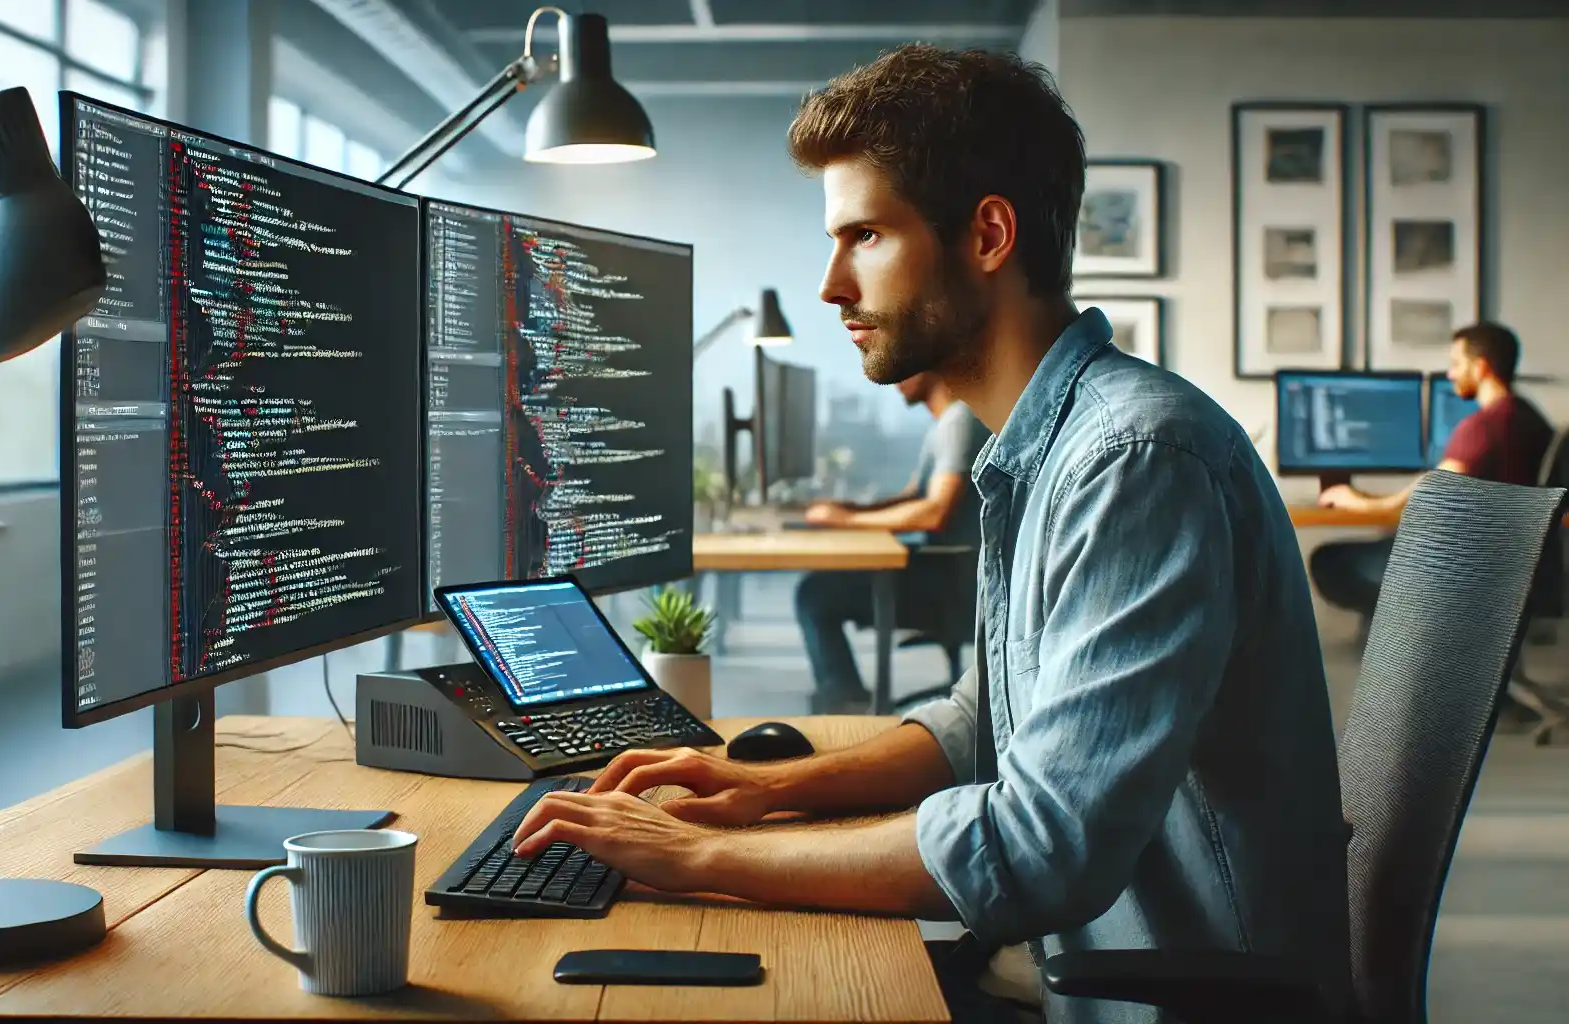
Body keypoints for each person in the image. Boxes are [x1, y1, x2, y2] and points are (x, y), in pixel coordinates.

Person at [507, 45, 1350, 1024]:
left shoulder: (1133, 461)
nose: (829, 285)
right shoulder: (1048, 445)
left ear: (987, 234)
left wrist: (701, 856)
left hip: (1170, 999)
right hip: (1080, 967)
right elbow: (984, 716)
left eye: (862, 235)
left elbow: (1041, 845)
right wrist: (757, 787)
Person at [1311, 322, 1554, 622]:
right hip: (1519, 570)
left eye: (1456, 364)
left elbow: (1430, 498)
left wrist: (1363, 504)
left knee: (1329, 561)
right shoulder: (1534, 421)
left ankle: (1402, 647)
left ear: (1480, 368)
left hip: (1464, 573)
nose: (1450, 374)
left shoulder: (1482, 427)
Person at [796, 370, 990, 714]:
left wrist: (849, 521)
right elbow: (914, 495)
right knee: (819, 587)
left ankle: (847, 707)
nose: (894, 378)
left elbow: (934, 512)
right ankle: (845, 697)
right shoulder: (945, 422)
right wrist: (848, 511)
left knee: (814, 594)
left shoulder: (959, 421)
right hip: (947, 571)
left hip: (955, 589)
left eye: (906, 367)